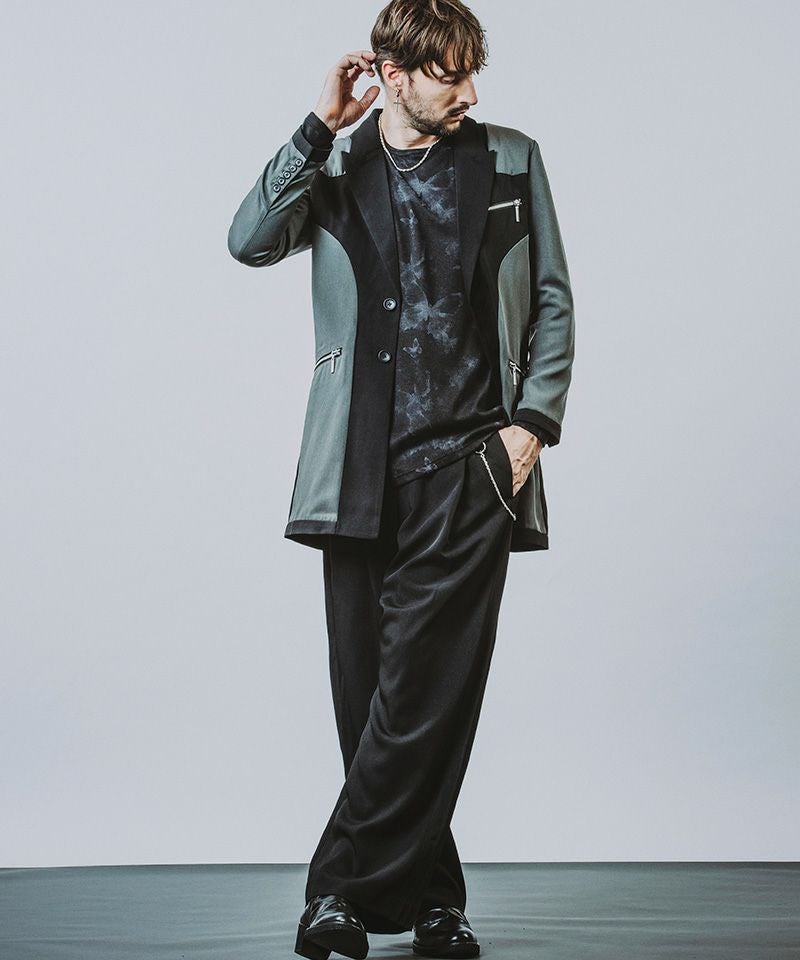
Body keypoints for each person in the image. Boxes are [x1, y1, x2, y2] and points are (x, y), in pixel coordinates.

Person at [227, 2, 575, 956]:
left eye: (471, 72)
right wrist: (317, 125)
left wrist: (530, 429)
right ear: (390, 73)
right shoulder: (336, 166)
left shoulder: (510, 160)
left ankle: (335, 894)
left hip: (471, 471)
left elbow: (551, 296)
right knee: (374, 702)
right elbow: (249, 239)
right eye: (448, 75)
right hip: (354, 474)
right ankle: (435, 902)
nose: (470, 92)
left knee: (426, 697)